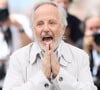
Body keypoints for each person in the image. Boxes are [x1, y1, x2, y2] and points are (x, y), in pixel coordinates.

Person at [3, 0, 97, 90]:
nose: (46, 29)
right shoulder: (18, 58)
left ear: (63, 28)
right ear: (33, 30)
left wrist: (60, 74)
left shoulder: (80, 57)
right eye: (40, 24)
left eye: (52, 23)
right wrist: (42, 77)